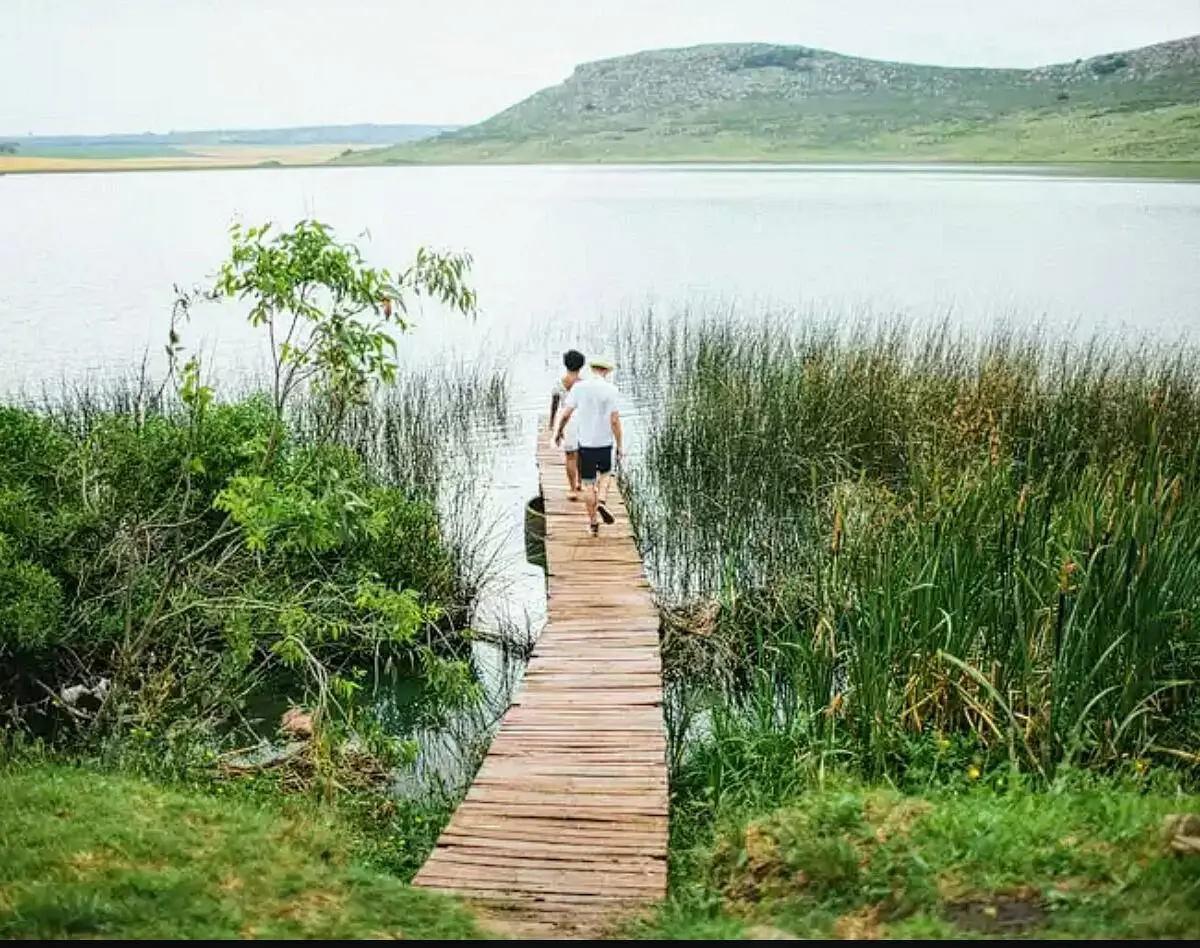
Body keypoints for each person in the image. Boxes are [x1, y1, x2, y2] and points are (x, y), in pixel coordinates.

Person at [555, 355, 623, 536]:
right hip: (605, 443)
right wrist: (620, 445)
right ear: (607, 371)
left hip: (585, 444)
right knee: (606, 474)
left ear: (592, 369)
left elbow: (567, 414)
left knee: (587, 484)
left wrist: (559, 430)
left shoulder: (579, 388)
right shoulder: (611, 390)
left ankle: (593, 524)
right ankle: (602, 500)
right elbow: (615, 421)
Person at [549, 349, 586, 499]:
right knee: (582, 454)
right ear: (581, 366)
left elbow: (554, 405)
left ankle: (572, 489)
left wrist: (553, 423)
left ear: (566, 364)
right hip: (582, 420)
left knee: (570, 456)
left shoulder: (559, 384)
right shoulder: (584, 384)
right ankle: (580, 483)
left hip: (567, 420)